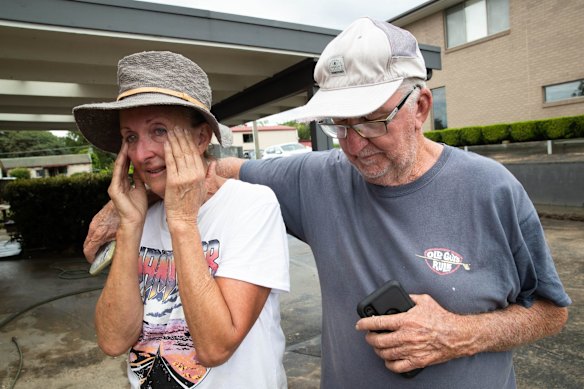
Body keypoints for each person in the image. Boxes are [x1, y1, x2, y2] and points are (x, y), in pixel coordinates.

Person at [84, 19, 571, 388]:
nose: (354, 145)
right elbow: (213, 168)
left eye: (373, 121)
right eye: (339, 125)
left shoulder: (490, 188)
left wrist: (458, 334)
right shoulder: (317, 178)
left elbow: (551, 311)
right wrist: (133, 199)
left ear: (421, 107)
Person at [73, 51, 290, 388]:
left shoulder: (252, 206)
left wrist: (183, 221)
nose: (142, 154)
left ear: (201, 138)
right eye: (130, 137)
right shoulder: (140, 216)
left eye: (158, 131)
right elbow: (114, 341)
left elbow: (216, 347)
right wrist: (130, 227)